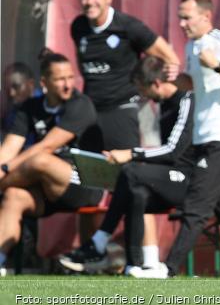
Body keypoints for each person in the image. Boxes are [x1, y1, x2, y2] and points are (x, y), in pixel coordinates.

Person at [130, 0, 220, 278]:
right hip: (204, 138)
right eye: (179, 18)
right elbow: (196, 84)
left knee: (197, 205)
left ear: (205, 16)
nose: (182, 24)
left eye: (187, 18)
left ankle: (168, 268)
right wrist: (174, 79)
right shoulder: (193, 46)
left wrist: (216, 64)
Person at [70, 0, 180, 269]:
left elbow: (168, 57)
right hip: (93, 115)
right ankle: (95, 255)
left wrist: (168, 80)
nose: (90, 2)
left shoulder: (128, 27)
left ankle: (149, 261)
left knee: (135, 181)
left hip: (125, 110)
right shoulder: (78, 27)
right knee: (90, 182)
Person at [58, 56, 194, 275]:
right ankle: (136, 264)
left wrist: (131, 154)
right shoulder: (165, 105)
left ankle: (99, 241)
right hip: (168, 177)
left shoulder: (186, 101)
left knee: (131, 170)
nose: (142, 96)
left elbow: (173, 151)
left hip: (187, 179)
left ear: (156, 83)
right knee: (136, 191)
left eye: (143, 90)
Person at [0, 52, 103, 277]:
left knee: (40, 160)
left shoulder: (81, 104)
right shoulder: (30, 107)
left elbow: (46, 147)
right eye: (60, 79)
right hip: (47, 191)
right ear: (44, 83)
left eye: (70, 77)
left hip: (83, 184)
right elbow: (8, 149)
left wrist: (5, 170)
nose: (68, 84)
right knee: (14, 196)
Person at [2, 63, 41, 142]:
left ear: (31, 84)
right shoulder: (11, 112)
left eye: (16, 87)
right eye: (7, 88)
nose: (11, 93)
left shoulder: (45, 106)